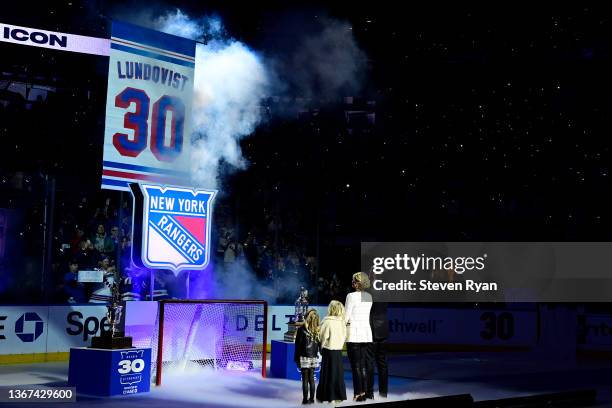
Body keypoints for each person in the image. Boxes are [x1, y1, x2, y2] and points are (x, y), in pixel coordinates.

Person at [345, 272, 373, 402]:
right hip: (366, 334)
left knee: (356, 366)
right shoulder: (369, 296)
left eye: (354, 281)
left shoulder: (351, 296)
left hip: (354, 335)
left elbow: (346, 317)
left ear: (358, 283)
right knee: (362, 365)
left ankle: (358, 393)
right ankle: (365, 392)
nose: (352, 283)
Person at [316, 300, 347, 403]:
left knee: (328, 374)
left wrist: (320, 346)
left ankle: (328, 396)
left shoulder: (327, 321)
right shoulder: (342, 322)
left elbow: (323, 337)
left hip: (329, 351)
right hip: (338, 351)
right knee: (337, 374)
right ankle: (338, 395)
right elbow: (344, 336)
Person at [294, 309, 321, 404]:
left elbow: (297, 345)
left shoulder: (301, 329)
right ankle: (312, 399)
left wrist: (296, 358)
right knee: (311, 378)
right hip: (313, 356)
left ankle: (305, 399)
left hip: (304, 356)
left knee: (305, 379)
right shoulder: (318, 330)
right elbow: (320, 345)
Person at [366, 300, 389, 399]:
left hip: (372, 329)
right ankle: (383, 393)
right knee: (382, 363)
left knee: (370, 363)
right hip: (383, 328)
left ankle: (369, 394)